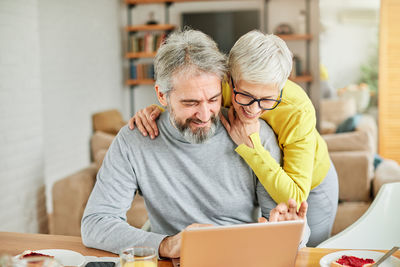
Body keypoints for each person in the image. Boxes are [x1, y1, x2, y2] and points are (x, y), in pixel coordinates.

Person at [81, 29, 309, 258]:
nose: (204, 114)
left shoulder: (255, 138)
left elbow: (290, 229)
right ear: (161, 96)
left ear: (223, 88)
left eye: (213, 99)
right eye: (190, 102)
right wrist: (166, 245)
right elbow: (96, 223)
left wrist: (292, 230)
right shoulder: (134, 140)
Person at [128, 30, 338, 247]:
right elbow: (189, 98)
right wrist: (161, 110)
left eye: (267, 99)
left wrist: (250, 147)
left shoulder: (298, 110)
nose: (253, 109)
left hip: (310, 184)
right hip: (269, 174)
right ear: (230, 79)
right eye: (245, 95)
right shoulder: (222, 87)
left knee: (309, 250)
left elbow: (294, 196)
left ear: (281, 87)